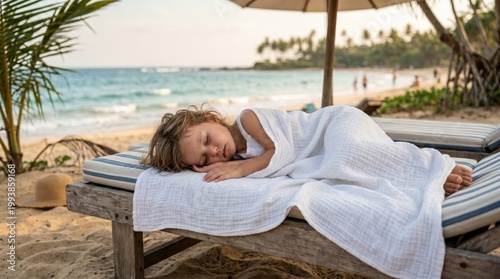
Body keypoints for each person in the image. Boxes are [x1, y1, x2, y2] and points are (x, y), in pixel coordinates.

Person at [143, 104, 472, 197]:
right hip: (321, 151)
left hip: (334, 125)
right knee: (345, 172)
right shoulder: (239, 156)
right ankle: (419, 178)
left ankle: (431, 168)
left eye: (206, 140)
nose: (215, 153)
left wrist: (241, 170)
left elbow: (280, 151)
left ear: (212, 118)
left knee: (352, 154)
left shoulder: (248, 120)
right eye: (203, 160)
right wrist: (232, 166)